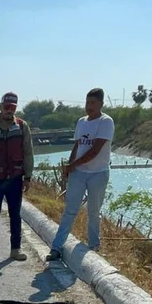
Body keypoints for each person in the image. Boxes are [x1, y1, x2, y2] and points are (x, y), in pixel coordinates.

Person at [48, 88, 115, 261]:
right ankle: (56, 247)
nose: (89, 106)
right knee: (70, 210)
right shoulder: (81, 122)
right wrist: (69, 168)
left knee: (93, 211)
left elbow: (95, 150)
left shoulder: (106, 122)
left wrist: (73, 165)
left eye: (93, 103)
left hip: (98, 174)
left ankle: (93, 246)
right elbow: (77, 146)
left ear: (101, 104)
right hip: (79, 173)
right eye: (87, 103)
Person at [0, 92, 34, 262]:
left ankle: (15, 249)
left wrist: (28, 176)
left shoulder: (22, 126)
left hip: (15, 178)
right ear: (0, 107)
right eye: (6, 107)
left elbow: (28, 152)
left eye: (12, 108)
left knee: (15, 214)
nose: (9, 111)